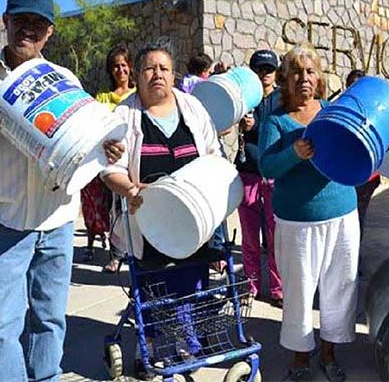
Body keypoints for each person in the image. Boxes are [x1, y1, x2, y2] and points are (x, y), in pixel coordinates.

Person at [0, 0, 124, 380]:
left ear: (49, 31)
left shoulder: (65, 78)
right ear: (6, 21)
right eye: (21, 20)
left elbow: (85, 141)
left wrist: (107, 148)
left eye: (38, 23)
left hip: (59, 219)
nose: (28, 29)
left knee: (49, 320)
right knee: (0, 324)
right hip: (7, 219)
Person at [99, 43, 222, 379]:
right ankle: (147, 348)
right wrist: (130, 189)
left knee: (191, 282)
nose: (157, 75)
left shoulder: (193, 109)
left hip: (194, 219)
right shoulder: (124, 115)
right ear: (137, 76)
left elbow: (213, 156)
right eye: (149, 69)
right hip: (147, 219)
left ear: (174, 75)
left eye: (164, 68)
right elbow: (110, 169)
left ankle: (186, 345)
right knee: (152, 287)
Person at [258, 43, 360, 382]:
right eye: (297, 72)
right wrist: (294, 153)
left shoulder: (333, 111)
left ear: (319, 77)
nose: (305, 78)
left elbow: (359, 147)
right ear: (286, 80)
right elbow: (267, 166)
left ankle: (329, 353)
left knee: (339, 288)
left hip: (343, 214)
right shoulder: (276, 121)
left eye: (311, 71)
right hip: (297, 221)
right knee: (299, 294)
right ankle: (301, 358)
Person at [80, 44, 136, 271]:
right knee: (114, 209)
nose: (120, 70)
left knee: (133, 208)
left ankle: (135, 252)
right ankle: (116, 254)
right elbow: (95, 124)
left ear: (130, 68)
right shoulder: (102, 97)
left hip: (134, 158)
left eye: (124, 65)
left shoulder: (137, 94)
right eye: (115, 66)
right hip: (110, 161)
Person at [235, 49, 283, 307]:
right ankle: (250, 284)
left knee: (276, 236)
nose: (264, 75)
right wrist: (240, 124)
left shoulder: (282, 99)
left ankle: (278, 287)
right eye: (259, 69)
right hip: (249, 171)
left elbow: (283, 129)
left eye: (268, 69)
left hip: (274, 173)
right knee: (250, 236)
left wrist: (258, 127)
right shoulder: (244, 98)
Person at [345, 69, 382, 266]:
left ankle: (354, 261)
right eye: (351, 85)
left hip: (367, 177)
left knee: (358, 219)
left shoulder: (374, 111)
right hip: (345, 174)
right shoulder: (341, 109)